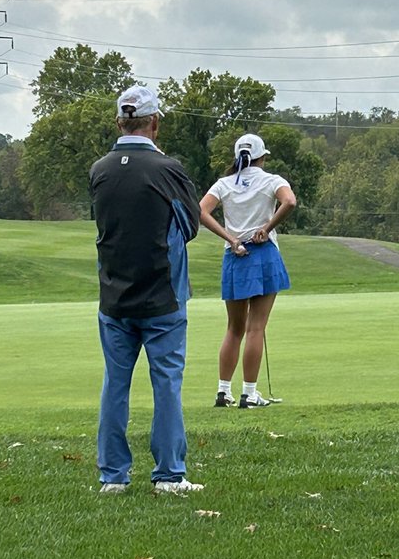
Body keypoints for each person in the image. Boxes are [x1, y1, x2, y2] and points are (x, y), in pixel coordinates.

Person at [88, 85, 201, 494]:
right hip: (162, 297)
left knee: (115, 383)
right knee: (167, 382)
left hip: (113, 296)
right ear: (154, 123)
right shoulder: (168, 168)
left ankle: (112, 477)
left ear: (120, 121)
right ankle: (170, 474)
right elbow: (190, 226)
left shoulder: (99, 169)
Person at [199, 133, 296, 408]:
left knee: (234, 328)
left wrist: (230, 238)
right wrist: (266, 229)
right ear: (262, 156)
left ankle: (223, 391)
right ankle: (249, 394)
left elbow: (202, 211)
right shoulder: (272, 180)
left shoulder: (224, 183)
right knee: (256, 328)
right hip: (263, 253)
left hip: (235, 255)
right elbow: (289, 201)